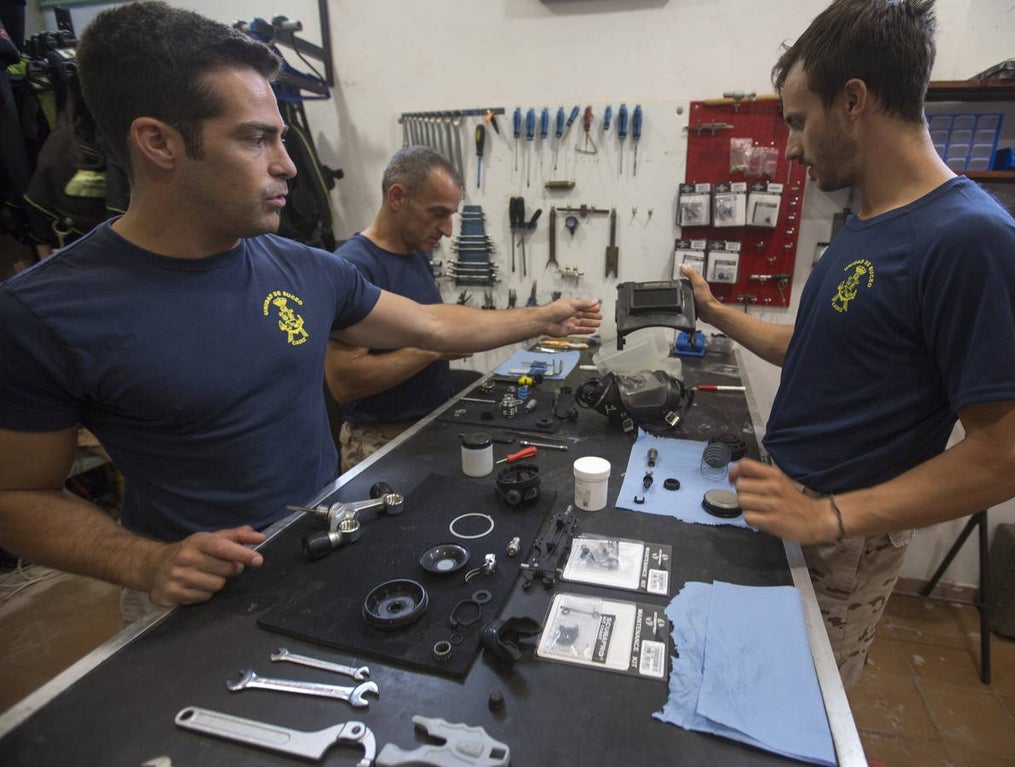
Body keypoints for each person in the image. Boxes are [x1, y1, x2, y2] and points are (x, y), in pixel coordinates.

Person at [0, 1, 600, 617]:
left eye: (281, 136)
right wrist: (144, 561)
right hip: (192, 599)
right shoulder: (45, 311)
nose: (287, 163)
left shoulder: (303, 268)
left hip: (331, 542)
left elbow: (428, 323)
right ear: (159, 143)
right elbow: (16, 495)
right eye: (256, 138)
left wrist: (541, 316)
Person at [682, 0, 1015, 688]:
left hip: (840, 539)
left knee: (803, 708)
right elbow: (816, 349)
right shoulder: (866, 222)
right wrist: (716, 311)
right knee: (747, 691)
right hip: (794, 505)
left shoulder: (975, 243)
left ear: (853, 101)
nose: (791, 146)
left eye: (797, 120)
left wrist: (831, 515)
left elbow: (1012, 454)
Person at [325, 147, 467, 473]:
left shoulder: (416, 254)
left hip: (428, 428)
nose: (447, 229)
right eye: (437, 213)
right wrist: (434, 347)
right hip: (379, 444)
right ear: (398, 197)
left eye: (451, 216)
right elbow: (344, 381)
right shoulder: (355, 267)